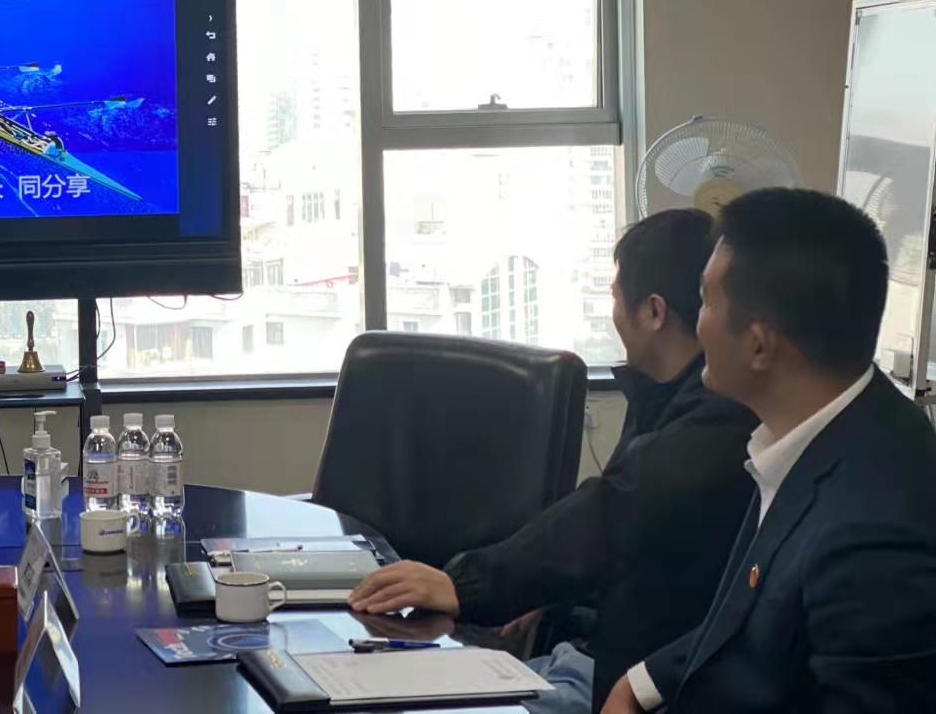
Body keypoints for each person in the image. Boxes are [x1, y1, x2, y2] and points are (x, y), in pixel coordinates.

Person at [350, 209, 757, 713]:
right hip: (587, 654)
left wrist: (465, 585)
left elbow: (615, 512)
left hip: (621, 682)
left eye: (615, 297)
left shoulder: (720, 418)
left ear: (653, 311)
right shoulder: (665, 396)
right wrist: (552, 589)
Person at [603, 188, 936, 713]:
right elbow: (754, 620)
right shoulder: (834, 427)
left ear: (759, 344)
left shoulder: (871, 537)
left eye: (706, 300)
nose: (698, 321)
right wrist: (639, 683)